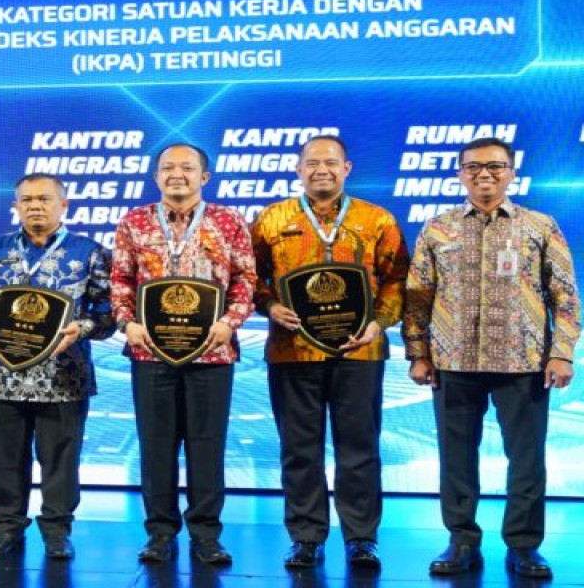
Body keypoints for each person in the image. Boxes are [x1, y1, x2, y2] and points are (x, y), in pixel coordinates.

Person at [403, 137, 578, 579]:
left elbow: (565, 296)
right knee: (456, 457)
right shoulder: (437, 228)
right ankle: (461, 540)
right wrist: (417, 353)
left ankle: (523, 545)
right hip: (452, 362)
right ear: (460, 172)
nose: (485, 174)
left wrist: (562, 353)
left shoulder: (541, 226)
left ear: (511, 172)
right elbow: (417, 298)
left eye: (495, 167)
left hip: (523, 364)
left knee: (527, 457)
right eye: (474, 167)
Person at [250, 135, 408, 570]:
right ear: (299, 169)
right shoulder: (271, 219)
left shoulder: (376, 220)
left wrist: (379, 321)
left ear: (347, 168)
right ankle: (306, 537)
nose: (322, 170)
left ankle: (361, 537)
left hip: (361, 350)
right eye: (312, 163)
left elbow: (397, 279)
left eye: (331, 163)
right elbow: (250, 278)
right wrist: (270, 305)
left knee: (359, 447)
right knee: (299, 448)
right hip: (291, 351)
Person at [110, 143, 256, 566]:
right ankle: (159, 534)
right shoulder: (134, 221)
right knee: (156, 446)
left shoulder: (229, 221)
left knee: (206, 445)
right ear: (156, 176)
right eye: (168, 167)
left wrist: (230, 321)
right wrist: (127, 322)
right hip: (150, 352)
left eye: (187, 168)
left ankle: (206, 535)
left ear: (204, 177)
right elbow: (120, 278)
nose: (177, 174)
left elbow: (247, 277)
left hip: (212, 352)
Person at [0, 173, 114, 560]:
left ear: (64, 205)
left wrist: (84, 328)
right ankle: (4, 528)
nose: (34, 206)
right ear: (15, 206)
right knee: (2, 458)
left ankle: (57, 530)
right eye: (26, 200)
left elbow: (108, 312)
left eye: (44, 199)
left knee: (61, 459)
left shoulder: (89, 252)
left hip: (64, 376)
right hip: (1, 376)